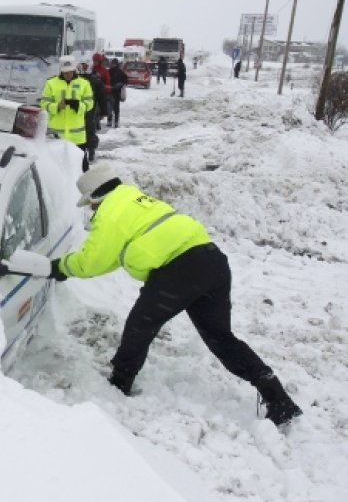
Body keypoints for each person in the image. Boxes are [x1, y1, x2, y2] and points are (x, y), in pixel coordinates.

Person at [48, 164, 303, 427]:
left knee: (140, 324)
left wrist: (60, 268)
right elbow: (113, 254)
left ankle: (120, 382)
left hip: (179, 270)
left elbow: (93, 260)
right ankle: (279, 399)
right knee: (222, 338)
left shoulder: (110, 213)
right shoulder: (135, 199)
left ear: (96, 198)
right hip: (212, 261)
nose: (90, 210)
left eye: (90, 204)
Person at [39, 55, 94, 171]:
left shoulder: (84, 84)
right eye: (65, 72)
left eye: (69, 72)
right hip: (56, 137)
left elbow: (90, 103)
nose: (67, 74)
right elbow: (44, 104)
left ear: (74, 70)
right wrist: (56, 106)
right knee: (56, 169)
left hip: (77, 138)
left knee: (81, 170)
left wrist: (78, 105)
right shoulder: (51, 83)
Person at [78, 59, 101, 162]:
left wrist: (103, 111)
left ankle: (91, 151)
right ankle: (82, 153)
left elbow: (101, 96)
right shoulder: (77, 78)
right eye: (82, 65)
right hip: (79, 111)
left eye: (85, 65)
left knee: (90, 132)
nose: (84, 67)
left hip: (92, 111)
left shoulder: (95, 79)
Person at [107, 58, 129, 128]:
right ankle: (111, 121)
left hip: (115, 92)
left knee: (114, 107)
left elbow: (125, 80)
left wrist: (120, 84)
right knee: (111, 107)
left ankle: (114, 121)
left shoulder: (118, 71)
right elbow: (125, 80)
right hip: (112, 91)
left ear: (116, 64)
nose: (113, 65)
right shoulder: (110, 71)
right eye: (112, 63)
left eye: (114, 63)